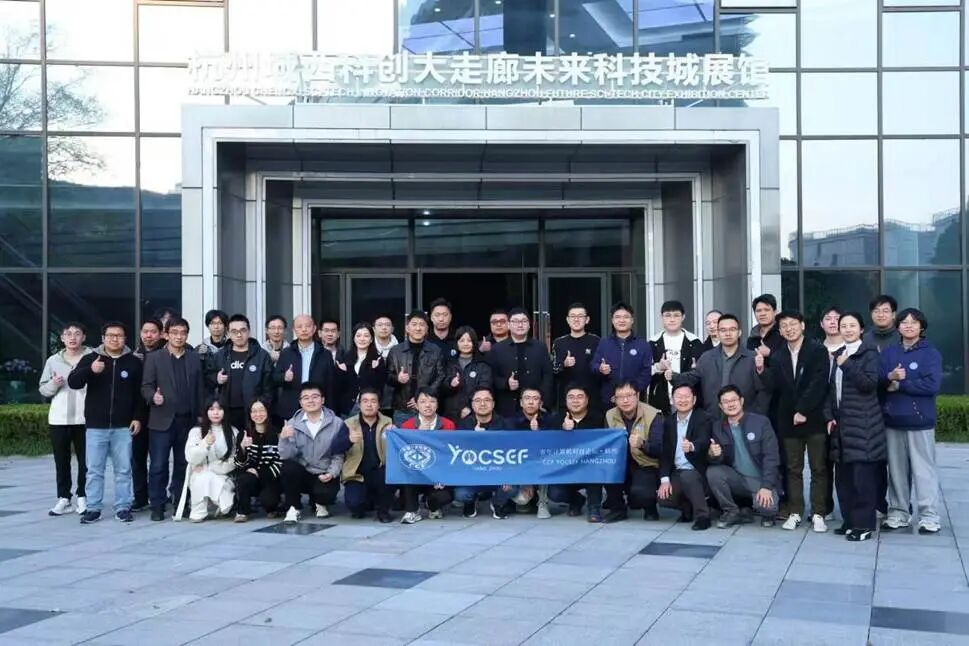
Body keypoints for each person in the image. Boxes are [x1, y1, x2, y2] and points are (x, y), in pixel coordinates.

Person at [68, 322, 145, 524]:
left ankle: (123, 507)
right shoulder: (91, 358)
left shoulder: (133, 362)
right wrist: (90, 370)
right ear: (103, 338)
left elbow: (139, 394)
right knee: (94, 470)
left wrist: (137, 417)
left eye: (119, 335)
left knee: (124, 470)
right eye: (110, 335)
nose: (114, 339)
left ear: (125, 338)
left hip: (123, 426)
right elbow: (73, 382)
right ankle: (93, 508)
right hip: (96, 426)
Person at [763, 311, 830, 533]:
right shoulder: (778, 355)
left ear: (802, 326)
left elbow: (819, 383)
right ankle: (795, 511)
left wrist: (803, 410)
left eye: (793, 324)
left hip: (814, 418)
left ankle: (819, 513)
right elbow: (774, 386)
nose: (789, 328)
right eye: (784, 326)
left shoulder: (817, 350)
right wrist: (761, 370)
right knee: (793, 468)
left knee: (819, 467)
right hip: (788, 420)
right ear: (780, 331)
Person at [880, 308, 943, 535]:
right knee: (896, 471)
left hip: (920, 422)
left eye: (913, 322)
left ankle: (929, 516)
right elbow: (879, 379)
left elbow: (932, 385)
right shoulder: (889, 352)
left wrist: (901, 384)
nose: (908, 326)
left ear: (921, 327)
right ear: (897, 327)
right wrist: (890, 378)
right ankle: (898, 513)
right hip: (893, 421)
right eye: (904, 322)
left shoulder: (930, 353)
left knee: (924, 471)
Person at [825, 312, 886, 541]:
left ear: (861, 329)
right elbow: (832, 389)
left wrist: (847, 365)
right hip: (841, 426)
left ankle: (864, 525)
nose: (848, 329)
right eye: (844, 326)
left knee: (862, 479)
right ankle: (850, 521)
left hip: (864, 425)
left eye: (852, 325)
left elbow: (869, 384)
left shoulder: (869, 353)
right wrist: (829, 415)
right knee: (844, 479)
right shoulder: (839, 353)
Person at [141, 317, 205, 521]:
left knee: (183, 464)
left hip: (187, 421)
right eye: (175, 332)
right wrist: (153, 397)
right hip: (161, 420)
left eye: (183, 333)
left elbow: (200, 389)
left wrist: (201, 417)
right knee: (158, 465)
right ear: (166, 335)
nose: (179, 337)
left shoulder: (194, 358)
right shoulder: (154, 358)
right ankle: (157, 505)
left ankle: (181, 502)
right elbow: (146, 386)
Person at [706, 385, 781, 528]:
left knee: (768, 509)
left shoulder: (760, 422)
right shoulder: (718, 427)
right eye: (725, 402)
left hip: (760, 479)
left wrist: (766, 486)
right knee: (713, 472)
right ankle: (731, 511)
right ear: (720, 406)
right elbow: (720, 460)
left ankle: (752, 510)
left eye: (733, 400)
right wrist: (713, 455)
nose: (730, 404)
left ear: (741, 401)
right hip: (738, 478)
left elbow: (771, 457)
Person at [39, 322, 93, 516]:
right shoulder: (53, 360)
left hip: (86, 418)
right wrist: (54, 384)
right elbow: (43, 389)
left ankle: (83, 496)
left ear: (83, 337)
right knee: (61, 460)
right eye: (68, 334)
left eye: (77, 334)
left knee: (86, 461)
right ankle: (64, 497)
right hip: (59, 419)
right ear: (62, 338)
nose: (72, 337)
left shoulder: (92, 358)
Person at [278, 382, 351, 523]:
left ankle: (319, 503)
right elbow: (286, 455)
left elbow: (338, 454)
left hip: (324, 473)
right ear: (300, 402)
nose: (310, 401)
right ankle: (294, 507)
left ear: (322, 400)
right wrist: (284, 438)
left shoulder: (336, 423)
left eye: (315, 397)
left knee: (325, 495)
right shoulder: (292, 423)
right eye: (306, 398)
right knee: (288, 467)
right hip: (302, 472)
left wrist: (331, 473)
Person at [674, 313, 768, 419]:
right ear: (718, 334)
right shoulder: (707, 357)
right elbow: (692, 378)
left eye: (732, 329)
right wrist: (671, 375)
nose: (728, 333)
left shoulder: (752, 357)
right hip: (713, 419)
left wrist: (757, 416)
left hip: (745, 419)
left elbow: (764, 390)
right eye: (723, 330)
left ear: (739, 333)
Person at [603, 380, 664, 523]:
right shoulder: (609, 415)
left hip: (645, 464)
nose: (625, 401)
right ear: (614, 399)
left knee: (640, 495)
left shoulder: (653, 415)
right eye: (620, 397)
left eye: (629, 395)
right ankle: (617, 509)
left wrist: (642, 444)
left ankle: (650, 508)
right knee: (605, 467)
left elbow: (660, 449)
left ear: (637, 395)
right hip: (620, 463)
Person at [454, 387, 520, 519]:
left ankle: (497, 503)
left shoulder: (505, 424)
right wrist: (475, 438)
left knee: (512, 488)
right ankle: (470, 502)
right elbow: (458, 455)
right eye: (478, 400)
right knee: (461, 494)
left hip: (498, 474)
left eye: (487, 400)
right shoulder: (464, 425)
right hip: (473, 475)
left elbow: (513, 453)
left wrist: (508, 475)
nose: (482, 404)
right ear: (472, 404)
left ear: (493, 404)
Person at [655, 384, 713, 530]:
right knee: (663, 497)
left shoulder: (703, 418)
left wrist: (692, 446)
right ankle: (687, 507)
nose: (683, 400)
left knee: (688, 477)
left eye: (687, 397)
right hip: (677, 470)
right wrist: (664, 480)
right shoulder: (669, 422)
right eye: (679, 397)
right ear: (672, 400)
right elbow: (665, 453)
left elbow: (704, 440)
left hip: (697, 469)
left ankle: (703, 517)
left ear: (694, 399)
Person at [546, 384, 607, 522]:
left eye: (580, 397)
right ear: (566, 400)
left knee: (596, 470)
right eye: (571, 397)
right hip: (566, 469)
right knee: (554, 493)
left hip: (591, 467)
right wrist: (562, 429)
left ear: (587, 400)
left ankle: (594, 508)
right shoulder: (557, 419)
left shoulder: (599, 419)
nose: (575, 401)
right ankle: (576, 500)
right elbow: (549, 446)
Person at [207, 314, 274, 433]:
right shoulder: (219, 356)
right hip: (226, 411)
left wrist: (261, 405)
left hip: (254, 412)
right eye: (234, 331)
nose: (239, 335)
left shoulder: (262, 356)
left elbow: (269, 386)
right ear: (228, 333)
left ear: (249, 332)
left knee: (252, 442)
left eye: (243, 330)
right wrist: (216, 379)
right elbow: (207, 380)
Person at [399, 388, 456, 523]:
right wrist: (419, 434)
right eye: (423, 401)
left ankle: (431, 506)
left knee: (445, 496)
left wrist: (442, 477)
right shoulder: (407, 426)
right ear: (416, 405)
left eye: (432, 401)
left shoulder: (448, 425)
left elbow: (450, 455)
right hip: (416, 474)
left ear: (437, 404)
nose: (428, 405)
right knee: (407, 475)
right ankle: (412, 511)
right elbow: (405, 456)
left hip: (438, 476)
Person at [177, 399, 239, 523]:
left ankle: (220, 506)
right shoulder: (196, 431)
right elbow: (190, 457)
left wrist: (212, 468)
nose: (216, 413)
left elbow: (234, 459)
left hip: (223, 474)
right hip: (200, 473)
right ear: (206, 412)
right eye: (211, 409)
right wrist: (205, 444)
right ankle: (198, 511)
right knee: (202, 478)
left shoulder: (233, 432)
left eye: (219, 409)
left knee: (225, 505)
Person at [489, 308, 554, 418]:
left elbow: (547, 376)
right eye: (515, 321)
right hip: (507, 407)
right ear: (508, 325)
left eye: (524, 321)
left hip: (535, 406)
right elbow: (491, 377)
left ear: (529, 325)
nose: (520, 325)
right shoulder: (497, 349)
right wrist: (506, 383)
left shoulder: (540, 347)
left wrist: (544, 401)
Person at [342, 388, 394, 523]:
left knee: (388, 475)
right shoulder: (349, 423)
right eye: (365, 401)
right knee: (355, 505)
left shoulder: (389, 423)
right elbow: (335, 448)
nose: (369, 405)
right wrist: (348, 440)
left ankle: (383, 511)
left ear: (379, 404)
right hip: (356, 473)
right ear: (359, 404)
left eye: (373, 401)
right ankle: (367, 502)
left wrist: (394, 435)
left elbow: (399, 450)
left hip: (379, 470)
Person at [274, 314, 338, 423]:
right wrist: (284, 377)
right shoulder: (286, 353)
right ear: (294, 330)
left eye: (307, 326)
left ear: (314, 329)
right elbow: (274, 378)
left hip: (317, 405)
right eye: (299, 327)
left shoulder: (324, 354)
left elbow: (331, 384)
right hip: (292, 406)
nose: (304, 329)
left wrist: (331, 410)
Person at [386, 310, 445, 425]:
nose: (418, 328)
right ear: (407, 328)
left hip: (428, 408)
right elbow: (387, 376)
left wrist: (423, 398)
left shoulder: (436, 350)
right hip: (402, 408)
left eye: (422, 325)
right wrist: (398, 379)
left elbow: (441, 376)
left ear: (427, 329)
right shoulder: (396, 351)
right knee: (403, 437)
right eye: (414, 324)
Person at [131, 318, 165, 511]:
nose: (148, 335)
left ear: (161, 334)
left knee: (159, 460)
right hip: (139, 414)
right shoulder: (134, 356)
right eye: (145, 331)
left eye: (153, 332)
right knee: (137, 458)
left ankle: (159, 496)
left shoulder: (166, 354)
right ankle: (140, 496)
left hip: (161, 412)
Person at [648, 300, 705, 415]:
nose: (672, 319)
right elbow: (644, 371)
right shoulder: (653, 342)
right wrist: (658, 367)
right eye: (667, 315)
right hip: (660, 400)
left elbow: (700, 373)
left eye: (676, 315)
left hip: (688, 399)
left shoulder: (694, 342)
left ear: (683, 317)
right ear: (661, 317)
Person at [591, 302, 652, 411]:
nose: (622, 320)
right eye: (617, 317)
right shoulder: (604, 343)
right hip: (609, 400)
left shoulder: (643, 345)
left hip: (634, 400)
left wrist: (631, 391)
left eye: (626, 317)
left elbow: (646, 373)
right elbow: (593, 365)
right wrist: (600, 368)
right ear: (612, 320)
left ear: (632, 320)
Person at [233, 398, 282, 522]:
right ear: (249, 414)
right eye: (254, 411)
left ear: (268, 411)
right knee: (244, 479)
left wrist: (259, 472)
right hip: (250, 477)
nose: (258, 414)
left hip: (270, 477)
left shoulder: (277, 433)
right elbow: (239, 464)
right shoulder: (244, 434)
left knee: (269, 502)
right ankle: (242, 511)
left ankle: (273, 507)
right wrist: (242, 448)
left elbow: (280, 462)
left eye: (261, 410)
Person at [511, 387, 554, 519]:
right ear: (521, 402)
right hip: (520, 466)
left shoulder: (550, 420)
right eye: (527, 398)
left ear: (540, 403)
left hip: (542, 465)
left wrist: (538, 433)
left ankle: (542, 502)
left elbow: (553, 448)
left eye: (535, 399)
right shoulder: (511, 421)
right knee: (521, 500)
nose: (531, 402)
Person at [819, 305, 844, 517]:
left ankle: (849, 508)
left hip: (844, 415)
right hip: (819, 415)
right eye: (828, 318)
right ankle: (824, 506)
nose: (833, 322)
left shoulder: (852, 349)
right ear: (821, 324)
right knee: (822, 464)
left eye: (837, 318)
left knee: (844, 464)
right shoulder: (816, 349)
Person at [551, 302, 600, 410]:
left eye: (580, 316)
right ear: (567, 320)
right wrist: (564, 364)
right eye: (573, 316)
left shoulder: (596, 341)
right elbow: (553, 371)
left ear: (587, 320)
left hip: (592, 398)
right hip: (566, 399)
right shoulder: (559, 343)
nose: (576, 319)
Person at [335, 322, 387, 416]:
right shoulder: (344, 358)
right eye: (358, 336)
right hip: (348, 408)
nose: (362, 339)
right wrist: (341, 372)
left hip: (369, 407)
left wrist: (375, 370)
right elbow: (338, 387)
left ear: (371, 339)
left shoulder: (377, 359)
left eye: (366, 336)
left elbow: (380, 387)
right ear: (354, 338)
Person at [442, 325, 493, 422]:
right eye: (462, 341)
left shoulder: (482, 365)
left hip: (475, 413)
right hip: (451, 414)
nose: (465, 344)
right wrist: (451, 384)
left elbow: (484, 388)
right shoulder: (449, 363)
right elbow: (441, 387)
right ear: (456, 343)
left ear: (474, 343)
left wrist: (470, 407)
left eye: (469, 341)